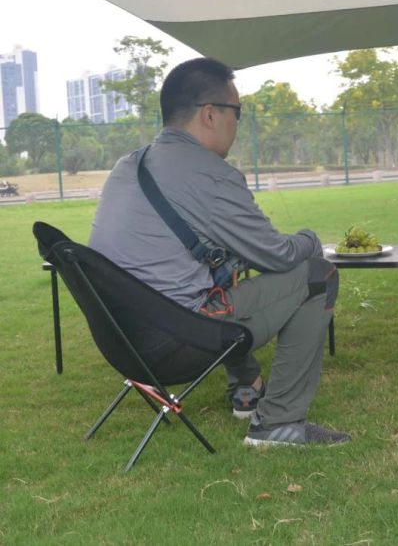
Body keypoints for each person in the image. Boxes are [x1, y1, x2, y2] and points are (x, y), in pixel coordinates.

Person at [89, 58, 349, 447]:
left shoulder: (130, 164)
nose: (237, 123)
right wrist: (312, 239)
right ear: (210, 114)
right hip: (176, 342)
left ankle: (246, 385)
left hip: (122, 343)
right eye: (237, 112)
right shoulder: (210, 174)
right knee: (318, 276)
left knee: (223, 268)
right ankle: (278, 423)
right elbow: (277, 255)